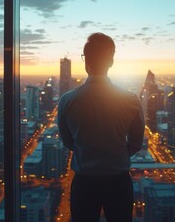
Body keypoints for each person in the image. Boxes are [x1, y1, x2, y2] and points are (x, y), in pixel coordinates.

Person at [58, 32, 145, 222]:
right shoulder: (130, 100)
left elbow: (68, 142)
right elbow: (136, 143)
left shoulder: (67, 101)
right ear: (111, 61)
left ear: (86, 61)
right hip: (118, 183)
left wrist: (88, 151)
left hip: (84, 183)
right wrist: (115, 153)